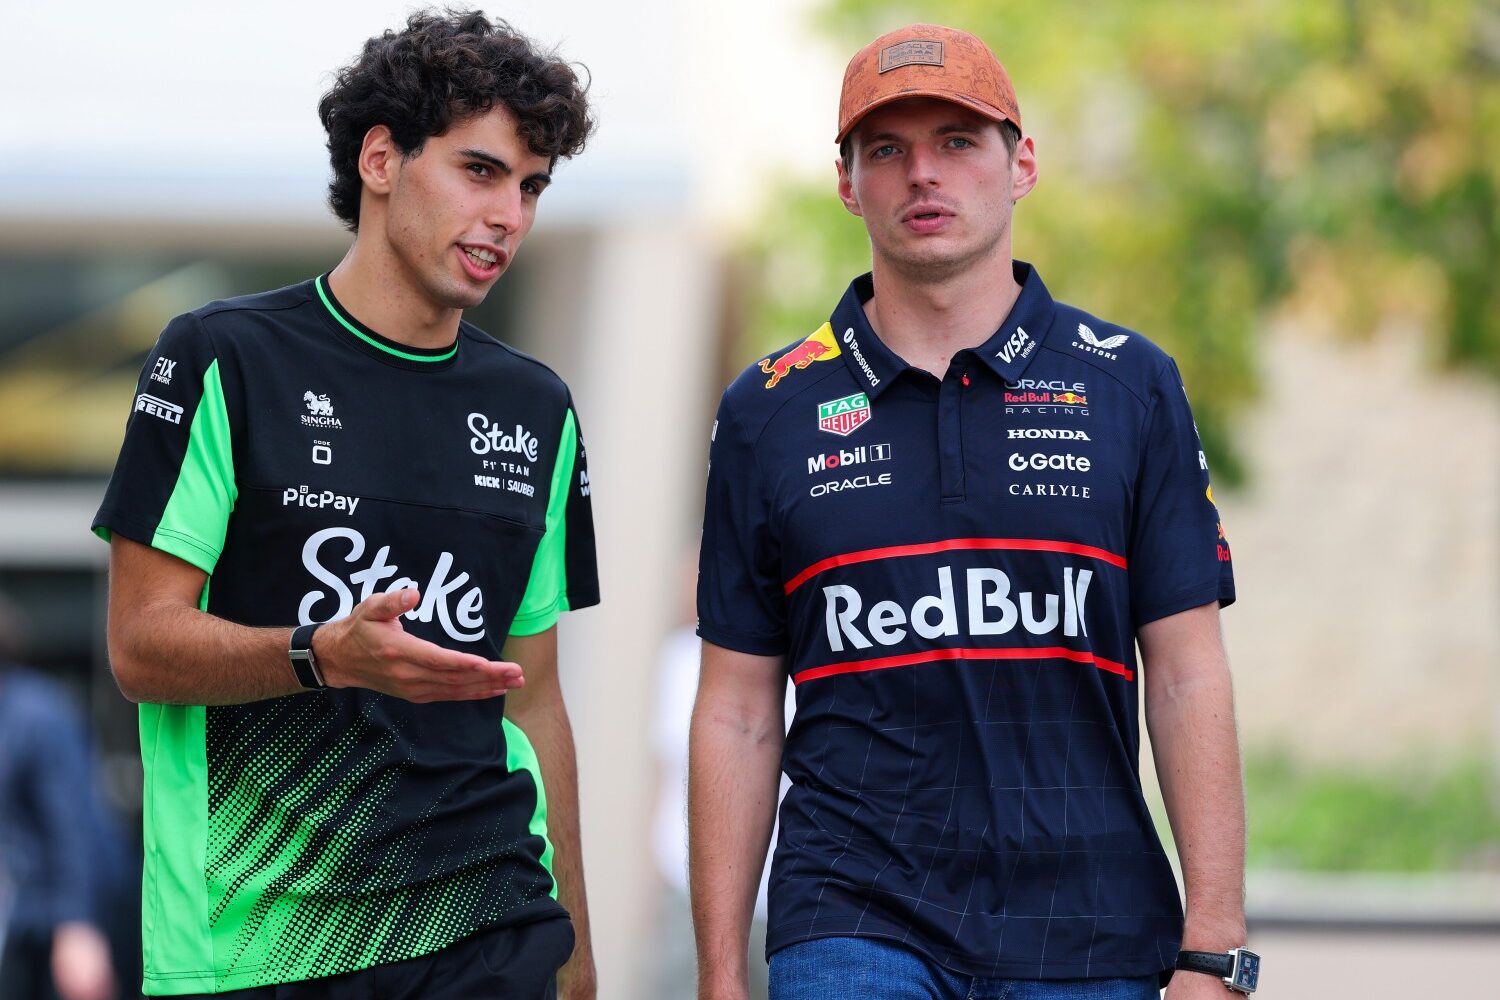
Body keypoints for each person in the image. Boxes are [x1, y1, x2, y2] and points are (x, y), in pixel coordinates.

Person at [691, 22, 1255, 1000]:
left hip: (1089, 928)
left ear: (1020, 161)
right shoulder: (767, 407)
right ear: (846, 183)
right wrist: (717, 978)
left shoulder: (1131, 384)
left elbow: (1186, 672)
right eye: (886, 150)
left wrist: (1215, 948)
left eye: (957, 140)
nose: (922, 174)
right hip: (850, 915)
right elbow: (738, 709)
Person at [92, 11, 598, 998]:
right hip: (260, 945)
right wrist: (322, 654)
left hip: (493, 928)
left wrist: (578, 963)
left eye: (532, 187)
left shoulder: (539, 408)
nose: (510, 217)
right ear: (381, 158)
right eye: (481, 171)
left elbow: (534, 697)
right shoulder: (220, 357)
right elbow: (139, 647)